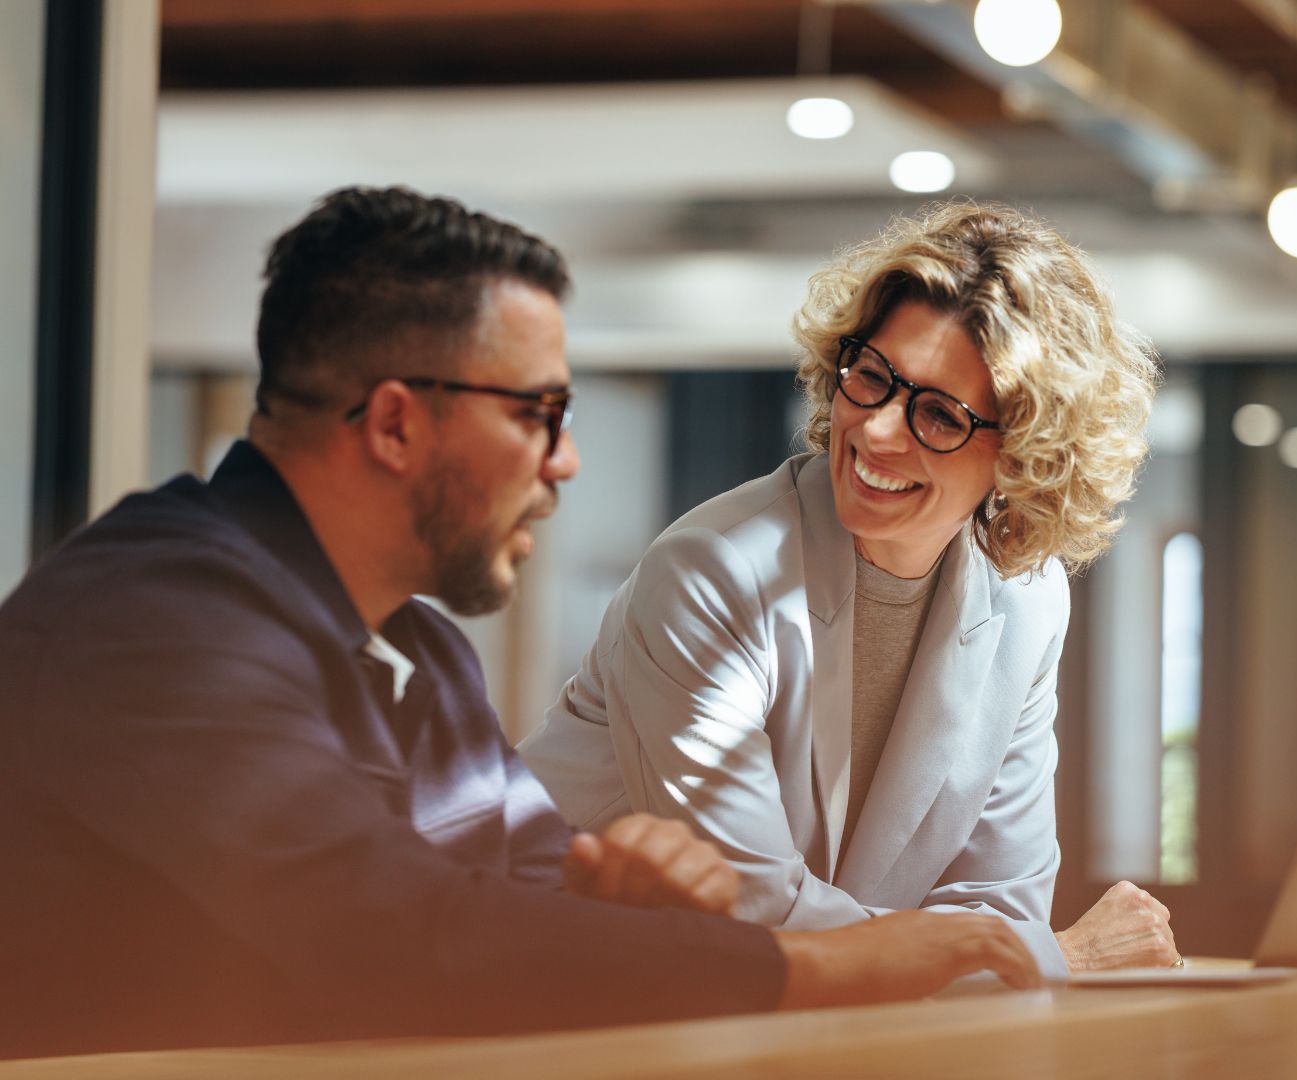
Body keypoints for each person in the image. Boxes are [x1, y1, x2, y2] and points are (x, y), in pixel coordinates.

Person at [0, 188, 1037, 1061]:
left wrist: (622, 906)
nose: (565, 461)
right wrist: (837, 961)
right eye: (538, 413)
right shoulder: (152, 625)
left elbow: (519, 901)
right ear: (399, 422)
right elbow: (403, 942)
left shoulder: (422, 653)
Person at [520, 201, 1176, 976]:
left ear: (1024, 455)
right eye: (870, 376)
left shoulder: (1026, 599)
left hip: (790, 1020)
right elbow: (756, 911)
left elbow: (998, 897)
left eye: (937, 414)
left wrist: (1008, 951)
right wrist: (1053, 956)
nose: (876, 430)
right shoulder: (713, 569)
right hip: (549, 996)